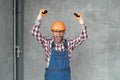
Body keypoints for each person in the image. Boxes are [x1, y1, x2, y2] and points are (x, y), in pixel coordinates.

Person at [31, 9, 88, 80]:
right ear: (52, 32)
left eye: (60, 31)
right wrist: (39, 17)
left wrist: (81, 22)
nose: (58, 34)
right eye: (56, 31)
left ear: (64, 32)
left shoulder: (69, 44)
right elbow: (34, 33)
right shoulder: (47, 43)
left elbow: (83, 37)